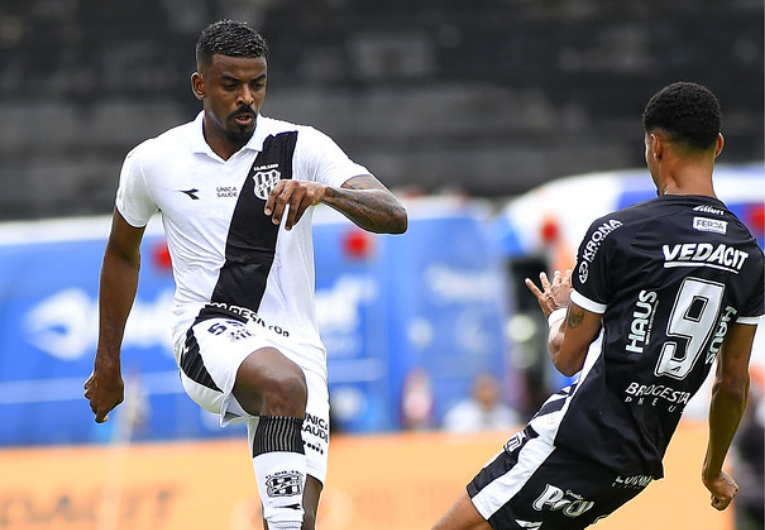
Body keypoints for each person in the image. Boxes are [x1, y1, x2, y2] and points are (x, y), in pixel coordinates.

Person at [84, 19, 407, 530]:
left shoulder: (300, 147)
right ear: (200, 86)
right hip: (208, 330)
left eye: (257, 84)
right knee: (282, 383)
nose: (247, 97)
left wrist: (326, 193)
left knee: (298, 518)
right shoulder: (153, 161)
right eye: (231, 84)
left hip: (300, 349)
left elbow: (394, 215)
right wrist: (108, 364)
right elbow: (122, 253)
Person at [432, 81, 764, 530]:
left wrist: (557, 313)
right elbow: (731, 384)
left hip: (577, 438)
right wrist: (711, 468)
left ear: (655, 144)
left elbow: (567, 358)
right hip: (637, 464)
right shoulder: (750, 254)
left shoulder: (618, 233)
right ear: (718, 145)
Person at [442, 372, 520, 433]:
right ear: (473, 389)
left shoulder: (509, 416)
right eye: (483, 387)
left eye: (490, 387)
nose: (487, 392)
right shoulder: (457, 416)